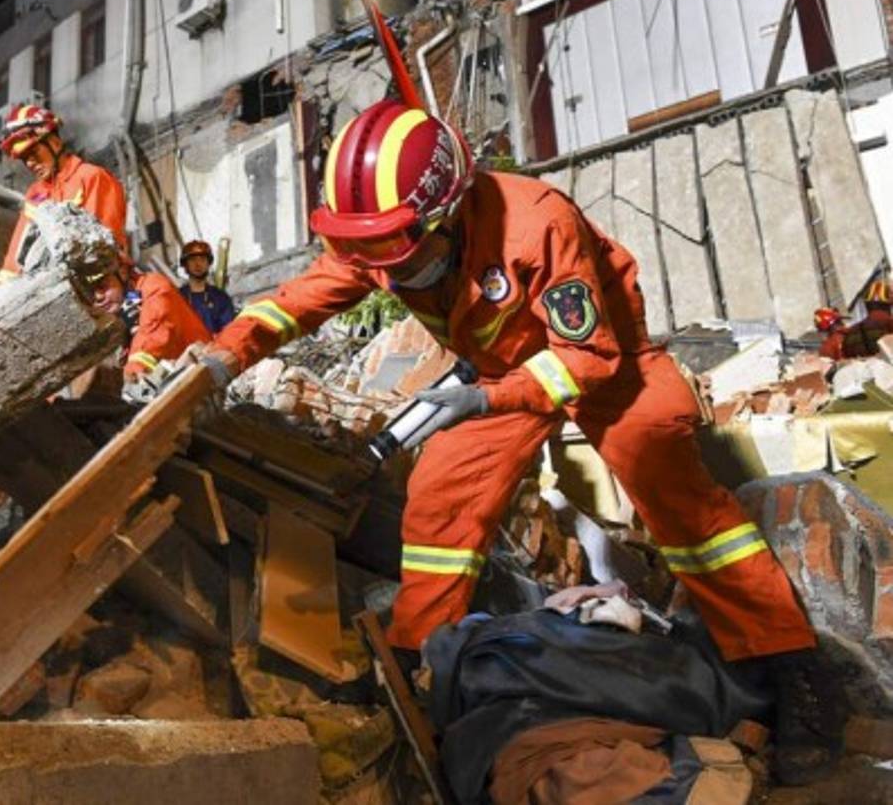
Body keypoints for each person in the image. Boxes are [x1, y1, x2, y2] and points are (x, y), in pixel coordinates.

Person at [190, 93, 844, 784]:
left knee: (678, 497)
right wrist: (223, 357)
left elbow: (588, 357)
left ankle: (789, 661)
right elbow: (294, 302)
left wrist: (483, 398)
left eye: (396, 253)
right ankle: (419, 665)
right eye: (367, 253)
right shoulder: (380, 237)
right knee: (439, 499)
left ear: (447, 213)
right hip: (502, 371)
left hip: (604, 359)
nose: (383, 272)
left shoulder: (537, 224)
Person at [0, 104, 127, 284]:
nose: (30, 163)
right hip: (50, 286)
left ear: (55, 143)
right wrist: (4, 290)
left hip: (98, 288)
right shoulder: (35, 194)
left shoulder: (91, 178)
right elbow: (15, 257)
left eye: (33, 152)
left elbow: (103, 249)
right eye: (24, 158)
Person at [70, 245, 210, 399]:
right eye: (90, 291)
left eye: (102, 286)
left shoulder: (154, 287)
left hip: (203, 378)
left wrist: (133, 372)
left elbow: (153, 334)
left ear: (122, 273)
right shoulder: (120, 308)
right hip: (173, 385)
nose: (98, 297)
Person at [178, 240, 236, 333]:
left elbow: (229, 331)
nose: (198, 264)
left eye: (202, 259)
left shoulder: (221, 298)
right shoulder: (177, 298)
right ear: (185, 265)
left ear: (208, 264)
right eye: (192, 260)